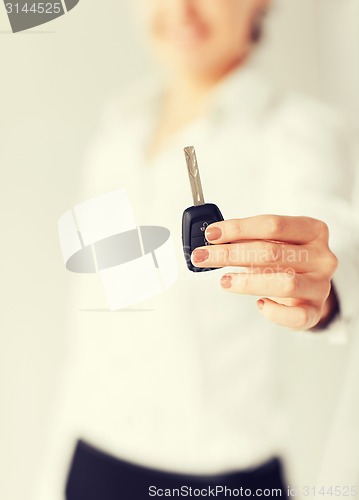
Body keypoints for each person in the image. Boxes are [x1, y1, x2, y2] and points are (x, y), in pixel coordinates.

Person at [33, 1, 359, 499]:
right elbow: (91, 334)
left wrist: (323, 288)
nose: (181, 10)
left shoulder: (295, 132)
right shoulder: (115, 132)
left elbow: (333, 245)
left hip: (220, 483)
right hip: (91, 463)